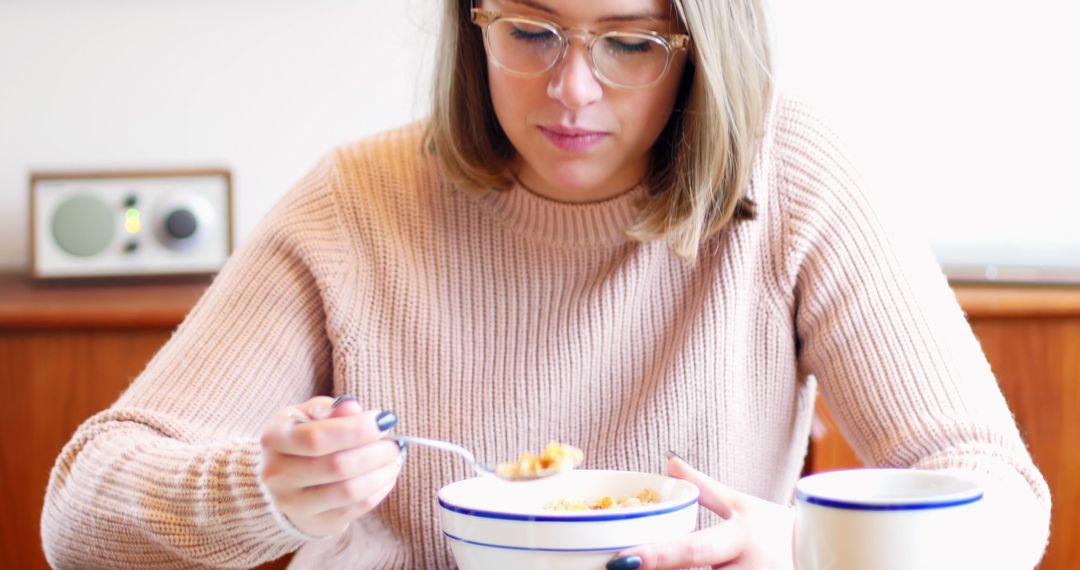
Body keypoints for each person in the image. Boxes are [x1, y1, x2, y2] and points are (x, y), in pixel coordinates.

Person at [42, 0, 1050, 568]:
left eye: (630, 42)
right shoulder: (359, 202)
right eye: (532, 31)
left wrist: (804, 549)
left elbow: (1001, 502)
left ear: (704, 47)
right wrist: (265, 492)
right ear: (470, 24)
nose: (573, 89)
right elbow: (79, 516)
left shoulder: (791, 177)